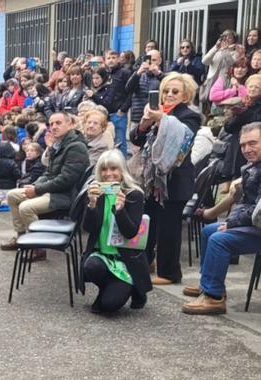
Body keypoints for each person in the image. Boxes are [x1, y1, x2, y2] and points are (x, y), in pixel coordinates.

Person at [182, 122, 261, 315]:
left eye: (253, 143)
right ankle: (208, 283)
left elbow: (257, 210)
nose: (247, 149)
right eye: (243, 145)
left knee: (219, 239)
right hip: (254, 222)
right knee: (209, 231)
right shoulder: (252, 167)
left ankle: (213, 297)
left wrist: (231, 223)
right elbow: (244, 204)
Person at [131, 72, 201, 285]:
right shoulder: (155, 112)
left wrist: (162, 119)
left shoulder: (189, 115)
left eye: (175, 91)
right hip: (154, 180)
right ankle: (147, 262)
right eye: (166, 91)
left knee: (169, 229)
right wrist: (144, 123)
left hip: (176, 181)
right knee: (149, 224)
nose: (169, 95)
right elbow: (136, 138)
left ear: (185, 95)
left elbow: (184, 139)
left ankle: (170, 273)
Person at [1, 112, 90, 258]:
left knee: (26, 207)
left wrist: (38, 189)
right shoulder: (60, 144)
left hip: (65, 196)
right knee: (12, 195)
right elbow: (48, 172)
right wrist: (35, 186)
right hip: (54, 191)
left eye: (58, 123)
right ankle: (21, 237)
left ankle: (38, 248)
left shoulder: (76, 147)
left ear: (71, 124)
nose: (54, 127)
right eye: (51, 123)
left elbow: (66, 179)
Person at [81, 150, 152, 313]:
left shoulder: (134, 194)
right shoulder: (97, 192)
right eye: (104, 170)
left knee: (108, 306)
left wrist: (120, 211)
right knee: (90, 266)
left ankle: (131, 287)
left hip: (125, 259)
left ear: (122, 171)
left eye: (114, 169)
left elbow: (130, 233)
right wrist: (91, 205)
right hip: (102, 255)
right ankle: (107, 288)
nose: (108, 174)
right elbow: (88, 229)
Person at [101, 49, 134, 158]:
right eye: (108, 58)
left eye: (113, 58)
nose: (111, 60)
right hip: (105, 114)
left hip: (118, 114)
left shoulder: (125, 72)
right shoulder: (105, 74)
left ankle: (122, 167)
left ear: (119, 59)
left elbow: (131, 93)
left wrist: (123, 109)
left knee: (120, 143)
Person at [202, 29, 242, 103]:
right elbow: (205, 61)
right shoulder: (217, 50)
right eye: (224, 36)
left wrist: (226, 50)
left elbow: (231, 63)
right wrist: (216, 47)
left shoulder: (235, 52)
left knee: (219, 103)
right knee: (207, 102)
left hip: (224, 82)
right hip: (211, 80)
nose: (226, 39)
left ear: (234, 40)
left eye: (229, 37)